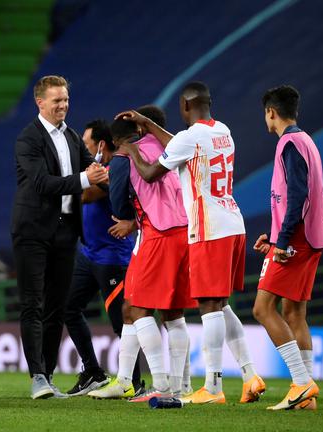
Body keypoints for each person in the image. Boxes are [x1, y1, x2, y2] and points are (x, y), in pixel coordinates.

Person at [119, 82, 263, 404]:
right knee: (221, 304)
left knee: (209, 306)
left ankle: (212, 388)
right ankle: (249, 373)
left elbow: (151, 173)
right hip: (232, 221)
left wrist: (130, 150)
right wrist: (151, 126)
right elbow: (182, 146)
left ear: (184, 107)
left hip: (208, 226)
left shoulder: (188, 138)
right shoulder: (222, 130)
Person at [12, 75, 108, 399]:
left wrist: (121, 193)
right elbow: (42, 183)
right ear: (40, 102)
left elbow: (94, 174)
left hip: (66, 231)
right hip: (33, 231)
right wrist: (85, 178)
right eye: (57, 101)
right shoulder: (28, 139)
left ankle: (48, 375)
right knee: (32, 304)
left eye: (65, 100)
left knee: (56, 306)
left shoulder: (71, 136)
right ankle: (36, 375)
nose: (63, 106)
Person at [94, 106, 196, 402]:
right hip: (183, 232)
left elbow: (117, 204)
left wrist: (128, 216)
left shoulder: (123, 159)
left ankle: (162, 386)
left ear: (113, 142)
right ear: (139, 130)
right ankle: (178, 386)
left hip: (158, 235)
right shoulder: (162, 144)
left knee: (136, 309)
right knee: (172, 313)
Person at [252, 85, 323, 411]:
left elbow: (298, 196)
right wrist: (274, 237)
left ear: (271, 112)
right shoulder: (305, 141)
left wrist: (283, 241)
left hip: (297, 239)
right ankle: (307, 399)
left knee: (262, 308)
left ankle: (302, 383)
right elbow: (294, 196)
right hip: (309, 235)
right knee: (294, 312)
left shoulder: (288, 143)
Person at [61, 119, 138, 396]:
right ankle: (93, 371)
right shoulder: (97, 170)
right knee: (69, 308)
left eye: (86, 142)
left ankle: (135, 383)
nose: (82, 146)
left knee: (122, 322)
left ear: (101, 145)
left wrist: (73, 178)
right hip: (88, 253)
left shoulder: (111, 171)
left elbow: (85, 196)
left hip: (112, 257)